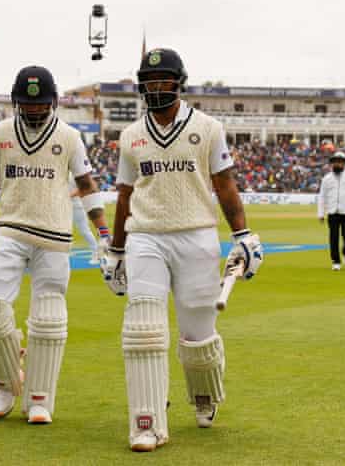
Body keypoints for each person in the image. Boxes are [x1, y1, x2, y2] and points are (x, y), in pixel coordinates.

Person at [100, 48, 264, 452]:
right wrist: (117, 251)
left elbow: (224, 185)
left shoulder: (208, 127)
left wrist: (242, 234)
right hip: (146, 237)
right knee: (143, 329)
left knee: (198, 335)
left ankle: (204, 395)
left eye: (163, 81)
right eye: (149, 82)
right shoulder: (130, 135)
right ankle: (147, 421)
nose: (156, 88)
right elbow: (124, 196)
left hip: (197, 235)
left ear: (178, 83)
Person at [0, 65, 108, 424]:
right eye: (27, 104)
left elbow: (86, 186)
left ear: (53, 102)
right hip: (9, 230)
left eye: (40, 104)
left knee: (48, 321)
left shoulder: (70, 137)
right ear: (16, 102)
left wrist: (103, 235)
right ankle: (7, 383)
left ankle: (40, 398)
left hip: (54, 237)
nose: (34, 110)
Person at [317, 150, 345, 270]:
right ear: (332, 163)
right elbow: (322, 196)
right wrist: (321, 213)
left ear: (344, 163)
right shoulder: (327, 178)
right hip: (332, 212)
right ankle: (335, 261)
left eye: (340, 162)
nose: (338, 164)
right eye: (336, 162)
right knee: (333, 238)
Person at [70, 178, 110, 263]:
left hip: (77, 206)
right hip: (65, 204)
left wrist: (69, 195)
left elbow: (81, 188)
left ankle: (97, 252)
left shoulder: (74, 174)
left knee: (84, 230)